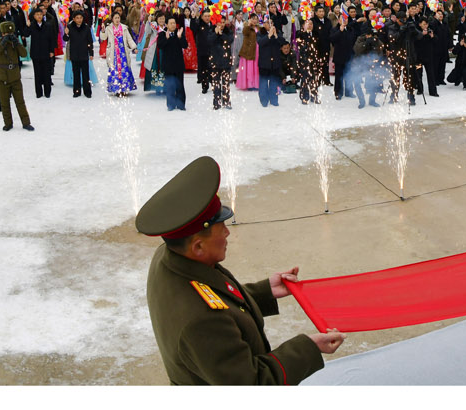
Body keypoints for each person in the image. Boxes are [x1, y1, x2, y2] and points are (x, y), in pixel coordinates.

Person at [136, 155, 343, 385]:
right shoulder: (202, 323)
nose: (227, 233)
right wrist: (308, 348)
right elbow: (251, 383)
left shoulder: (169, 258)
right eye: (221, 227)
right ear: (198, 246)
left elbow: (215, 301)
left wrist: (264, 291)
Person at [0, 20, 33, 131]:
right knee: (4, 102)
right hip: (2, 76)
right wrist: (3, 43)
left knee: (20, 101)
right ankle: (8, 123)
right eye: (6, 34)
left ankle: (26, 122)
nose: (8, 36)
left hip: (15, 75)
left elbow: (24, 54)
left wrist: (17, 43)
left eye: (10, 34)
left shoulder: (15, 43)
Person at [106, 11, 138, 96]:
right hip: (113, 53)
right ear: (112, 19)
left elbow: (129, 39)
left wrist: (134, 47)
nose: (117, 19)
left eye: (118, 18)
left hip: (123, 52)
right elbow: (103, 37)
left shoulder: (124, 28)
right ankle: (117, 88)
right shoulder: (108, 28)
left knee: (124, 69)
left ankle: (124, 88)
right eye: (115, 18)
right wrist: (102, 30)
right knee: (115, 69)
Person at [160, 15, 187, 111]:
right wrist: (166, 39)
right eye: (171, 23)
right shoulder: (162, 34)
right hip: (168, 64)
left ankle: (181, 104)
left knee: (180, 85)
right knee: (170, 85)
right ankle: (171, 104)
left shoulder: (179, 33)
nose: (173, 25)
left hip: (178, 64)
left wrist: (180, 38)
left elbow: (185, 45)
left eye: (174, 23)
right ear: (166, 25)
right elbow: (160, 46)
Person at [65, 9, 94, 98]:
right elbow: (65, 39)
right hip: (74, 54)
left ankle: (87, 91)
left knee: (86, 74)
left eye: (80, 18)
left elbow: (90, 41)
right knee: (76, 74)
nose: (79, 20)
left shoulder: (86, 28)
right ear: (73, 19)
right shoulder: (70, 27)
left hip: (84, 54)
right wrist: (66, 34)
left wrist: (91, 52)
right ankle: (77, 91)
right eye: (77, 18)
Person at [29, 5, 57, 98]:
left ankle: (47, 91)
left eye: (40, 14)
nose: (39, 16)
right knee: (37, 73)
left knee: (46, 73)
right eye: (37, 14)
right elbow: (25, 33)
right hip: (35, 53)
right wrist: (27, 25)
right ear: (34, 16)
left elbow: (52, 39)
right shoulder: (32, 26)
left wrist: (52, 50)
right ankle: (39, 92)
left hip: (46, 52)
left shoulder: (48, 25)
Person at [256, 20, 285, 107]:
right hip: (264, 63)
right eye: (268, 23)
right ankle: (264, 100)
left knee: (274, 83)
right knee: (263, 84)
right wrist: (268, 36)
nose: (270, 25)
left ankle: (274, 100)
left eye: (272, 23)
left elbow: (282, 43)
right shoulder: (260, 33)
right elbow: (260, 43)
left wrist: (275, 35)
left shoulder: (278, 32)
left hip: (275, 63)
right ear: (264, 24)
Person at [209, 18, 234, 109]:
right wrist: (216, 33)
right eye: (220, 22)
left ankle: (226, 102)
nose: (222, 24)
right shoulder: (211, 30)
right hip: (215, 61)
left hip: (226, 61)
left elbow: (229, 40)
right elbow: (209, 41)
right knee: (216, 84)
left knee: (226, 84)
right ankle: (216, 102)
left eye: (223, 22)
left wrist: (221, 34)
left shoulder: (228, 31)